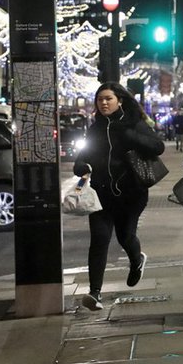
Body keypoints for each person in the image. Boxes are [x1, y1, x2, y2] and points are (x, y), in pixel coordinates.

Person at [72, 82, 165, 312]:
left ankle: (136, 260)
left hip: (131, 193)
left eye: (108, 99)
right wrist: (80, 165)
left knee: (125, 236)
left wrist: (128, 134)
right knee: (99, 239)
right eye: (100, 99)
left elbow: (157, 146)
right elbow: (81, 159)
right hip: (101, 193)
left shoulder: (134, 123)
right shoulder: (95, 129)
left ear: (119, 100)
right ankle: (94, 293)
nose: (104, 103)